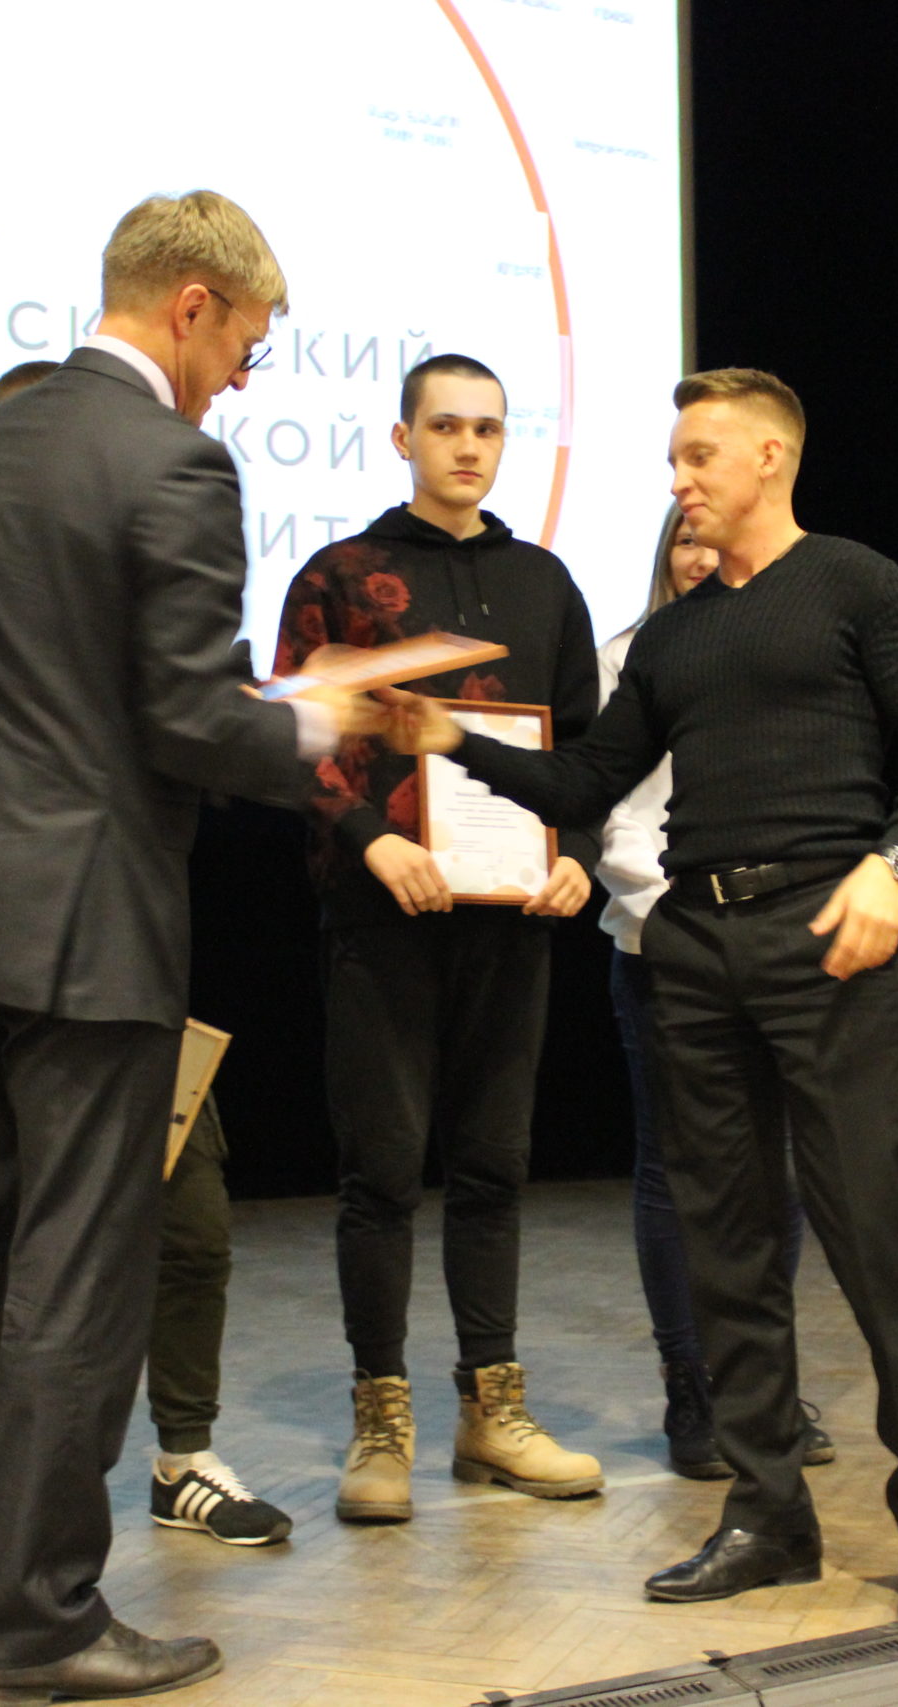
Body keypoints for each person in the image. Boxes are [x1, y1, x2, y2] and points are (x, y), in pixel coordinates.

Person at [0, 190, 365, 1707]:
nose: (242, 377)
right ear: (192, 303)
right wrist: (317, 720)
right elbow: (186, 716)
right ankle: (44, 1622)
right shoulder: (172, 461)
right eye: (248, 342)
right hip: (88, 929)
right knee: (74, 1274)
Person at [386, 368, 898, 1631]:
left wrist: (893, 864)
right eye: (673, 459)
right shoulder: (673, 637)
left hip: (825, 934)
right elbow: (585, 783)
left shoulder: (860, 585)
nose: (678, 481)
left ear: (769, 457)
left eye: (698, 456)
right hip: (693, 950)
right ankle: (767, 1516)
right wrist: (449, 742)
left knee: (873, 1236)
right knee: (727, 1245)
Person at [0, 359, 292, 1552]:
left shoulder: (108, 590)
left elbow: (185, 722)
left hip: (100, 945)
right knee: (22, 1262)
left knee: (183, 1222)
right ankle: (29, 1554)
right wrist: (299, 730)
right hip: (24, 943)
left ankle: (172, 1462)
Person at [273, 353, 605, 1525]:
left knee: (494, 1165)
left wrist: (575, 852)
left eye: (489, 429)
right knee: (381, 1171)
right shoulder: (338, 575)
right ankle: (381, 1423)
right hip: (384, 914)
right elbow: (295, 736)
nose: (469, 447)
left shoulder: (542, 582)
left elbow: (588, 751)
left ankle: (490, 1413)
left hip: (510, 918)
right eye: (448, 426)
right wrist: (370, 838)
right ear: (403, 437)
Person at [596, 505, 833, 1483]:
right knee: (674, 1169)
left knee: (776, 1167)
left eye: (713, 540)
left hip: (774, 944)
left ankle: (758, 1384)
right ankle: (691, 1386)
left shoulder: (786, 656)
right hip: (663, 941)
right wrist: (676, 917)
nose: (698, 557)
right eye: (682, 542)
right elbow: (612, 814)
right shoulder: (625, 660)